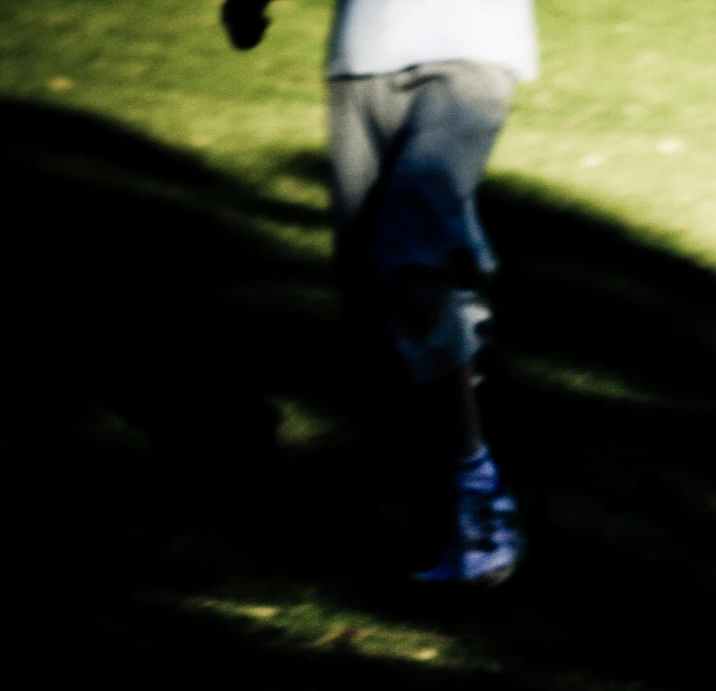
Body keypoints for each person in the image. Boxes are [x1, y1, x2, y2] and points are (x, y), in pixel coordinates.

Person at [221, 0, 533, 584]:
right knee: (374, 290)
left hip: (474, 48)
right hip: (364, 49)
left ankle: (482, 501)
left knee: (410, 251)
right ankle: (462, 333)